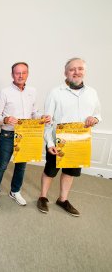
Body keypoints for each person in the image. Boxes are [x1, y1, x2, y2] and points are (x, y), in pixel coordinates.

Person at [37, 58, 101, 217]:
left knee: (70, 172)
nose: (76, 72)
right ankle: (43, 197)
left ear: (84, 71)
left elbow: (98, 114)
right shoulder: (55, 92)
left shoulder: (92, 93)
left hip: (79, 142)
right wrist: (49, 142)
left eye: (80, 69)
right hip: (58, 141)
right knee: (50, 171)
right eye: (72, 69)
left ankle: (63, 199)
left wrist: (95, 119)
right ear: (66, 73)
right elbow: (47, 120)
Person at [0, 62, 51, 208]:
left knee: (21, 166)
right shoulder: (4, 92)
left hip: (25, 135)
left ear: (27, 74)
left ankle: (15, 191)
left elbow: (34, 112)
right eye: (17, 73)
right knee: (2, 165)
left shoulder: (32, 91)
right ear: (12, 75)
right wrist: (5, 119)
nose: (21, 75)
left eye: (24, 72)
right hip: (8, 134)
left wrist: (41, 116)